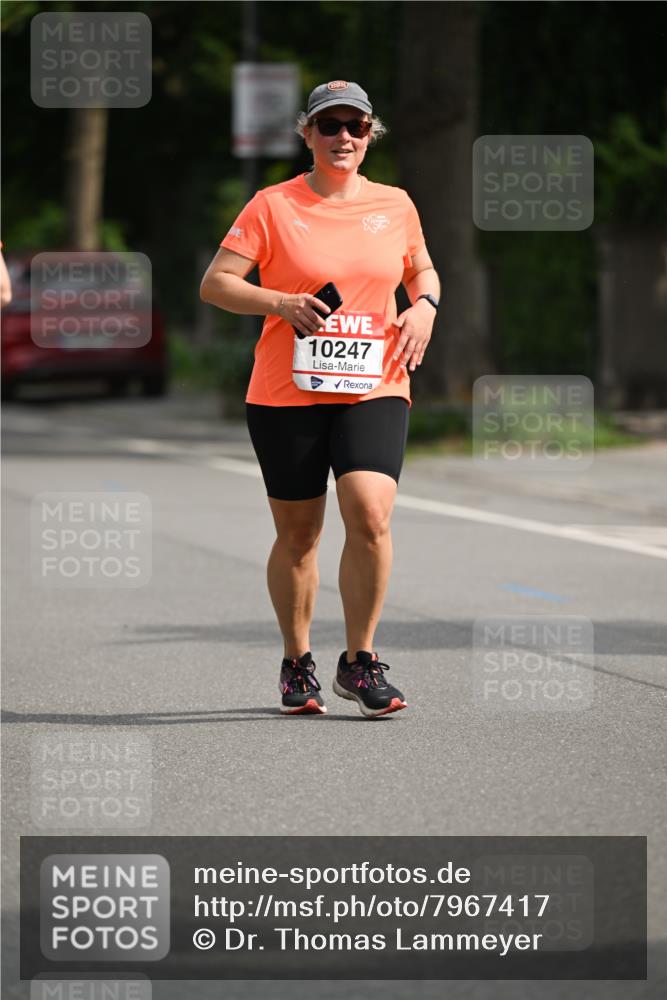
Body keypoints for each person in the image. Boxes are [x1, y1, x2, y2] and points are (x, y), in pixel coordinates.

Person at [200, 80, 440, 718]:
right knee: (300, 535)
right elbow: (216, 283)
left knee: (370, 512)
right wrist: (279, 302)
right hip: (287, 390)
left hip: (378, 380)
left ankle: (360, 662)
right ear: (306, 134)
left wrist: (425, 307)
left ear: (369, 135)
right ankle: (296, 660)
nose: (343, 137)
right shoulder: (272, 205)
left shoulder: (395, 204)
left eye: (355, 127)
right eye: (329, 125)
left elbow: (422, 269)